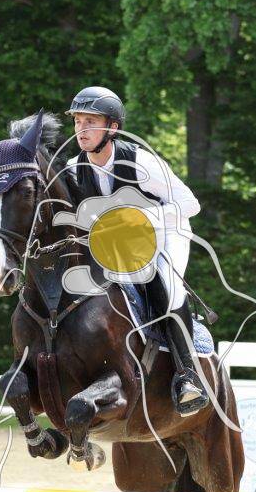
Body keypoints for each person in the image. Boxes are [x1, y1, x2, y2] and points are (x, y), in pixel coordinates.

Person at [65, 85, 208, 416]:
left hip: (166, 234)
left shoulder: (141, 161)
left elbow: (190, 204)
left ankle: (188, 378)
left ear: (112, 128)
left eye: (90, 122)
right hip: (120, 244)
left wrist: (141, 219)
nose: (81, 130)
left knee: (167, 287)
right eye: (77, 122)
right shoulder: (73, 168)